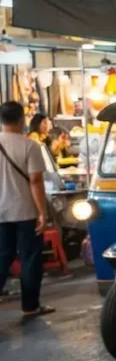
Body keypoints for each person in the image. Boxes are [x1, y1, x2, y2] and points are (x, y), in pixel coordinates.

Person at [0, 102, 54, 317]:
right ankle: (30, 306)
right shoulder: (30, 146)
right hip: (25, 213)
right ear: (22, 119)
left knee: (2, 257)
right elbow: (36, 182)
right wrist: (43, 212)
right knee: (30, 259)